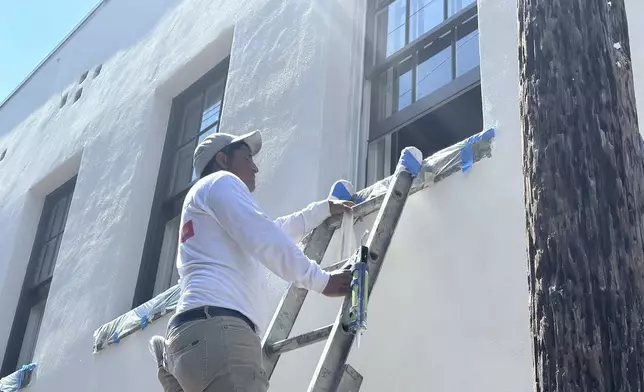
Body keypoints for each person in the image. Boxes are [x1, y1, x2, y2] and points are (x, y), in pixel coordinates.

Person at [151, 129, 354, 392]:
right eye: (247, 157)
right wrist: (321, 280)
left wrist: (322, 210)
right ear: (223, 160)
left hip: (186, 344)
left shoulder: (204, 206)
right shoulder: (220, 181)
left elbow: (271, 230)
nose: (255, 167)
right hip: (218, 334)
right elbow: (263, 235)